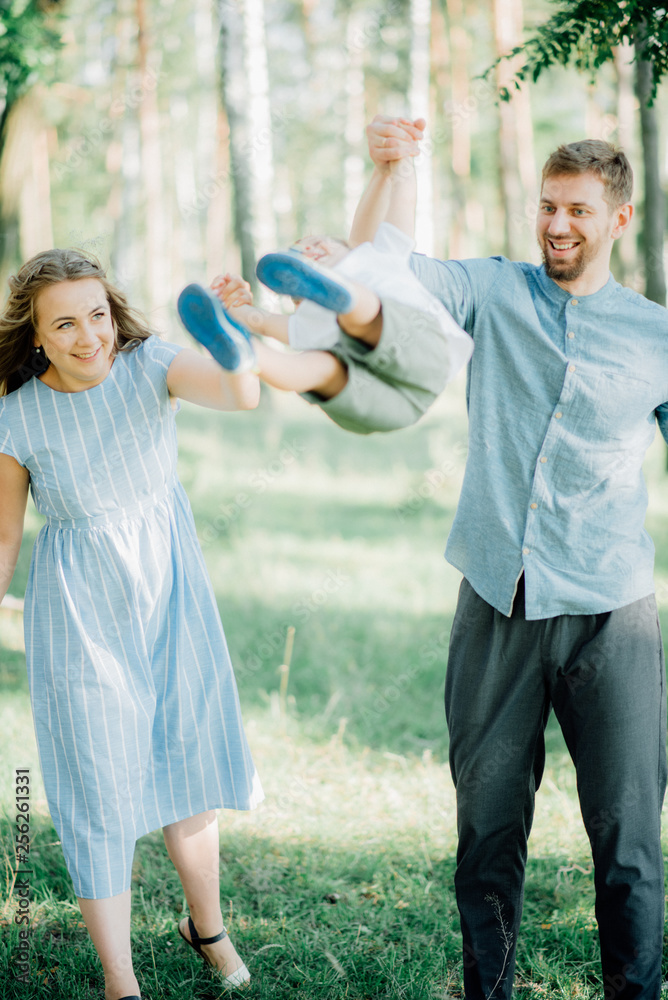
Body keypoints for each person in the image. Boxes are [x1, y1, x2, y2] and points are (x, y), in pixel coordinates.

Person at [363, 117, 668, 999]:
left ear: (618, 217)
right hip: (497, 602)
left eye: (577, 209)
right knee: (487, 834)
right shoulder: (495, 292)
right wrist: (396, 165)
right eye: (546, 206)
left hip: (614, 618)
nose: (557, 225)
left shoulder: (656, 337)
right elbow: (384, 267)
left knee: (630, 846)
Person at [0, 249, 265, 1000]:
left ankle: (205, 927)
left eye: (97, 315)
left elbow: (243, 395)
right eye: (66, 324)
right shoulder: (15, 416)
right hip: (80, 612)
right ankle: (122, 980)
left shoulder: (154, 365)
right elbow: (4, 536)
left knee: (189, 755)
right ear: (38, 337)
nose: (90, 337)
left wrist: (235, 333)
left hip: (171, 591)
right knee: (97, 783)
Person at [176, 130, 472, 435]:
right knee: (319, 367)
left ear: (352, 246)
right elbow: (260, 320)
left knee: (364, 309)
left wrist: (400, 161)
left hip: (427, 356)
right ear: (298, 296)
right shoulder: (309, 321)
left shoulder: (380, 255)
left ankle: (345, 298)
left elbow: (403, 196)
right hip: (386, 405)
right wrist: (228, 311)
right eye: (303, 257)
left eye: (316, 247)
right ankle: (246, 352)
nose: (311, 251)